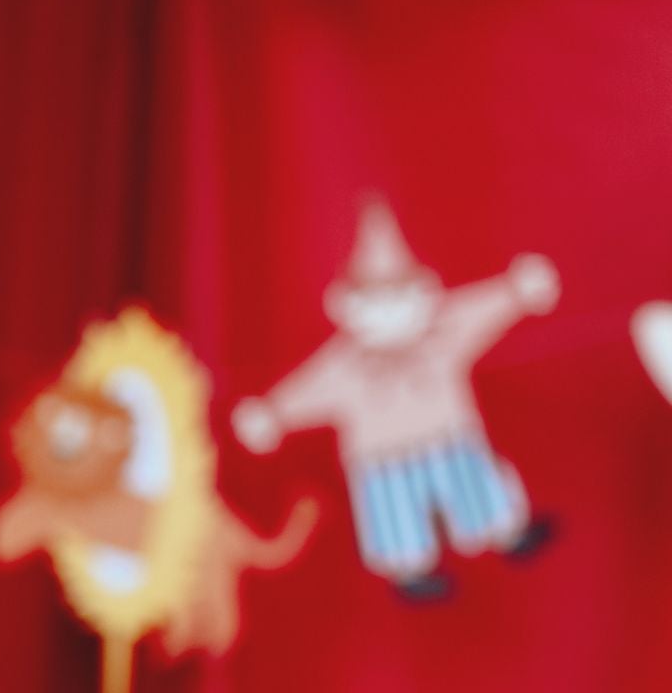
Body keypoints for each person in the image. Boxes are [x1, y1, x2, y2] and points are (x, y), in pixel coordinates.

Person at [232, 199, 557, 602]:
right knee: (394, 513)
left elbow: (482, 310)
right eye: (376, 299)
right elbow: (309, 389)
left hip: (450, 437)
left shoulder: (445, 330)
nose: (389, 312)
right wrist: (275, 413)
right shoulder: (345, 364)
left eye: (397, 294)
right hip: (381, 457)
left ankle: (505, 529)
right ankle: (410, 568)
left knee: (473, 485)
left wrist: (515, 292)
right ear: (350, 304)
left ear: (420, 291)